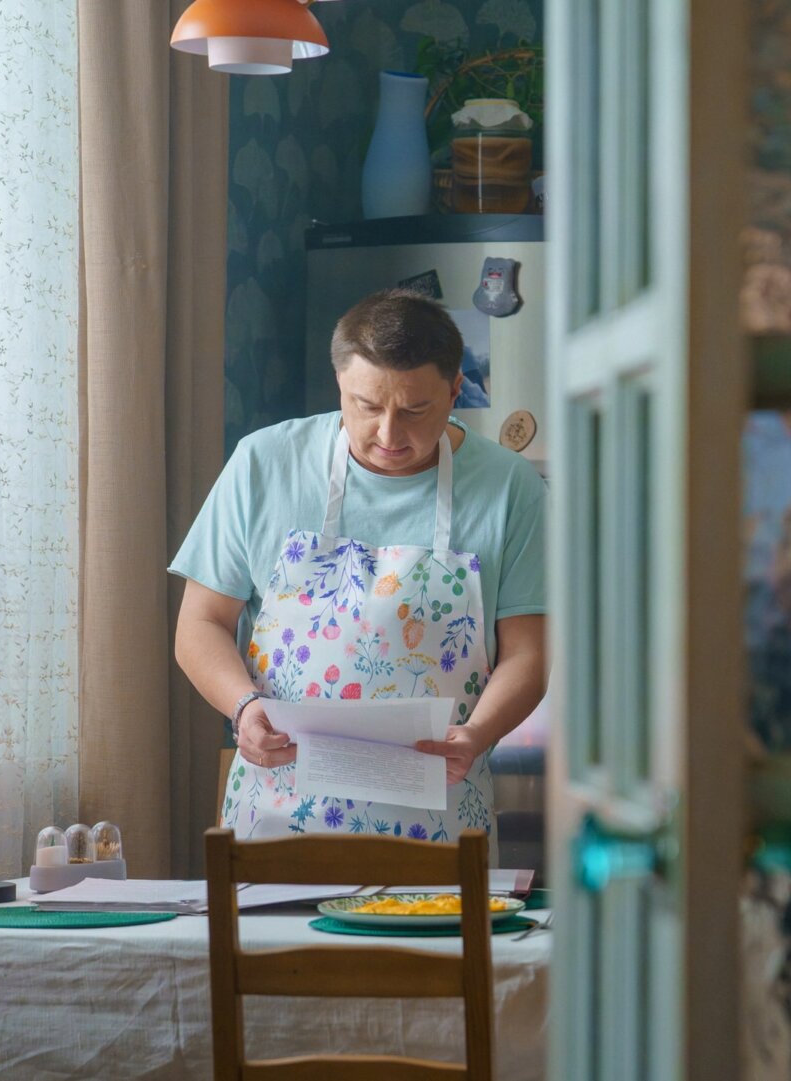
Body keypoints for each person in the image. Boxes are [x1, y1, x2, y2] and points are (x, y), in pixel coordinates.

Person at [171, 288, 547, 859]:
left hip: (440, 827)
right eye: (367, 406)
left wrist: (477, 735)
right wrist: (243, 708)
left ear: (455, 391)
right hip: (274, 823)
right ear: (339, 384)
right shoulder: (263, 463)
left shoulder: (510, 488)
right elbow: (200, 623)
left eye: (414, 411)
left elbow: (528, 654)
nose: (389, 435)